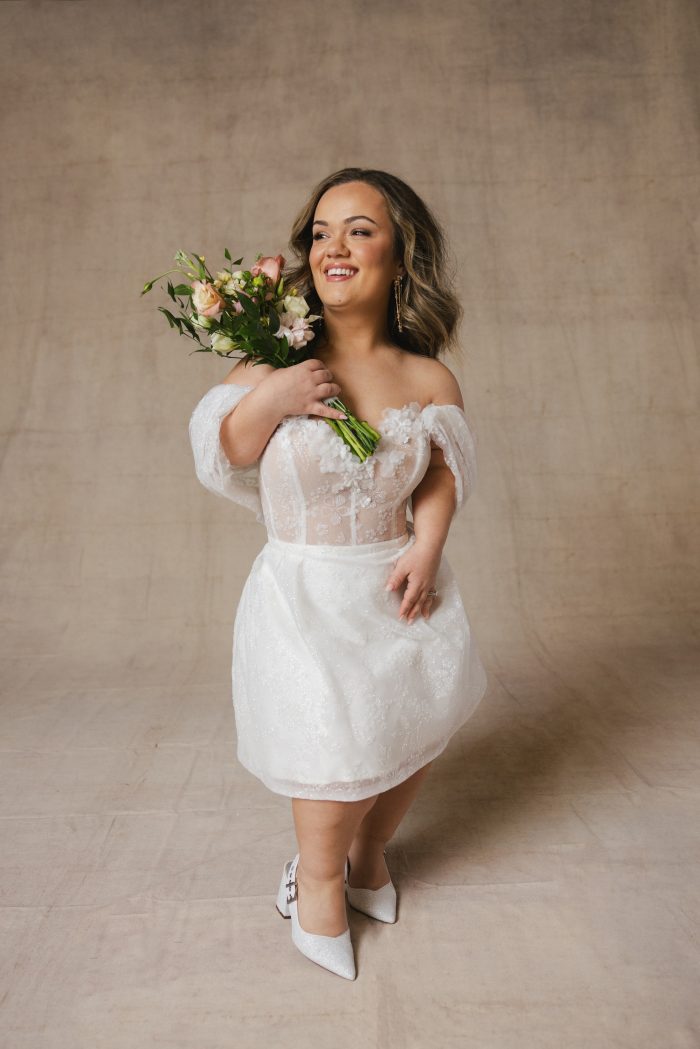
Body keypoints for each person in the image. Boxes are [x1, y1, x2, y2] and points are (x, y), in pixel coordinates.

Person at [188, 167, 488, 980]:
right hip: (306, 591)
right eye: (322, 231)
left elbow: (440, 475)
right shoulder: (268, 363)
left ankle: (368, 855)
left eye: (360, 229)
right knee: (336, 737)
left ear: (400, 256)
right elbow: (226, 451)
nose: (335, 246)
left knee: (414, 726)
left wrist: (426, 546)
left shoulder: (426, 378)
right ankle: (314, 881)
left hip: (394, 583)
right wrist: (279, 391)